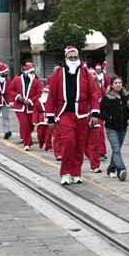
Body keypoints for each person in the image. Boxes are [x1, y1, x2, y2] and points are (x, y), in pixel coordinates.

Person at [46, 46, 100, 185]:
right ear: (66, 59)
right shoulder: (58, 73)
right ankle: (65, 173)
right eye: (71, 57)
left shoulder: (85, 73)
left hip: (81, 114)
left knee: (79, 145)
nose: (74, 59)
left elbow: (93, 94)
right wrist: (50, 117)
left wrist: (94, 112)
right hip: (64, 113)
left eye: (76, 57)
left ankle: (76, 173)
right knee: (68, 142)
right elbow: (51, 96)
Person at [95, 76, 129, 181]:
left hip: (123, 128)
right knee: (116, 149)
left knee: (117, 151)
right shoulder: (107, 98)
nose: (118, 85)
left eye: (120, 82)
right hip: (111, 128)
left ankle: (111, 169)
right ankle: (121, 170)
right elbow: (98, 112)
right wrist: (109, 117)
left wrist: (128, 116)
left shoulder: (126, 97)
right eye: (116, 83)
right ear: (111, 85)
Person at [9, 63, 42, 151]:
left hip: (30, 107)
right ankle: (27, 143)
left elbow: (39, 93)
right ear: (26, 72)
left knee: (31, 126)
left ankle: (24, 136)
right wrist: (17, 97)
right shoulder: (17, 80)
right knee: (24, 124)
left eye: (33, 72)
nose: (33, 74)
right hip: (19, 106)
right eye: (31, 72)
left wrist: (31, 101)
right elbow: (10, 90)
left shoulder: (35, 81)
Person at [85, 68, 104, 173]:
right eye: (89, 74)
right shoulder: (78, 87)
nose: (91, 76)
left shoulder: (97, 88)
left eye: (93, 74)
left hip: (94, 118)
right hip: (81, 118)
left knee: (94, 142)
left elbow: (100, 101)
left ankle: (95, 165)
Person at [32, 85, 54, 152]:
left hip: (49, 119)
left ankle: (48, 147)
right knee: (40, 134)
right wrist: (34, 119)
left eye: (46, 92)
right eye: (44, 91)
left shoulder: (52, 101)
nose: (45, 93)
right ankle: (41, 142)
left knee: (49, 135)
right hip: (41, 119)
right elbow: (35, 110)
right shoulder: (38, 100)